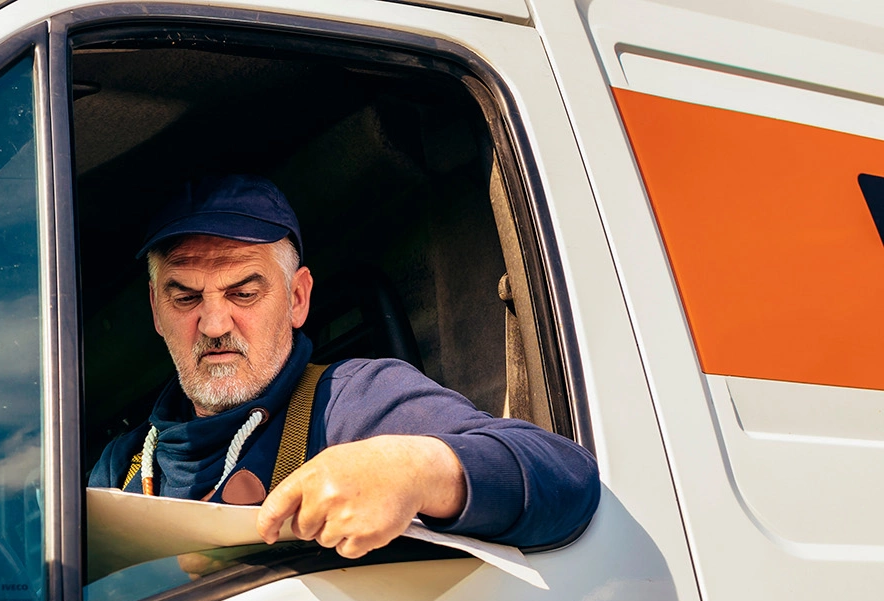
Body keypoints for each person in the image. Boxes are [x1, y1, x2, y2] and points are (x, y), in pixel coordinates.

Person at [88, 175, 599, 557]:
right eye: (186, 297)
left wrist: (417, 470)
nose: (215, 322)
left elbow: (568, 477)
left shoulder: (354, 401)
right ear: (156, 309)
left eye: (243, 292)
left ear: (297, 298)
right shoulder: (124, 462)